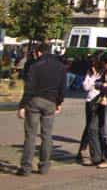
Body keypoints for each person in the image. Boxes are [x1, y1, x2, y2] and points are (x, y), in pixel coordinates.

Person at [16, 42, 66, 177]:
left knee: (31, 135)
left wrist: (22, 105)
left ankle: (26, 167)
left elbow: (29, 88)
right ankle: (44, 166)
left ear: (38, 52)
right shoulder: (60, 66)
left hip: (35, 100)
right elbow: (62, 87)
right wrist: (59, 102)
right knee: (47, 135)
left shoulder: (35, 66)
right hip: (51, 101)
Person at [77, 55, 104, 166]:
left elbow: (101, 86)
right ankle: (82, 149)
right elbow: (85, 86)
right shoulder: (90, 73)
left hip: (99, 100)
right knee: (89, 125)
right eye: (91, 66)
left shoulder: (103, 73)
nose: (92, 68)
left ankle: (93, 150)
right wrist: (93, 81)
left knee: (94, 126)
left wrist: (93, 84)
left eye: (94, 66)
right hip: (90, 100)